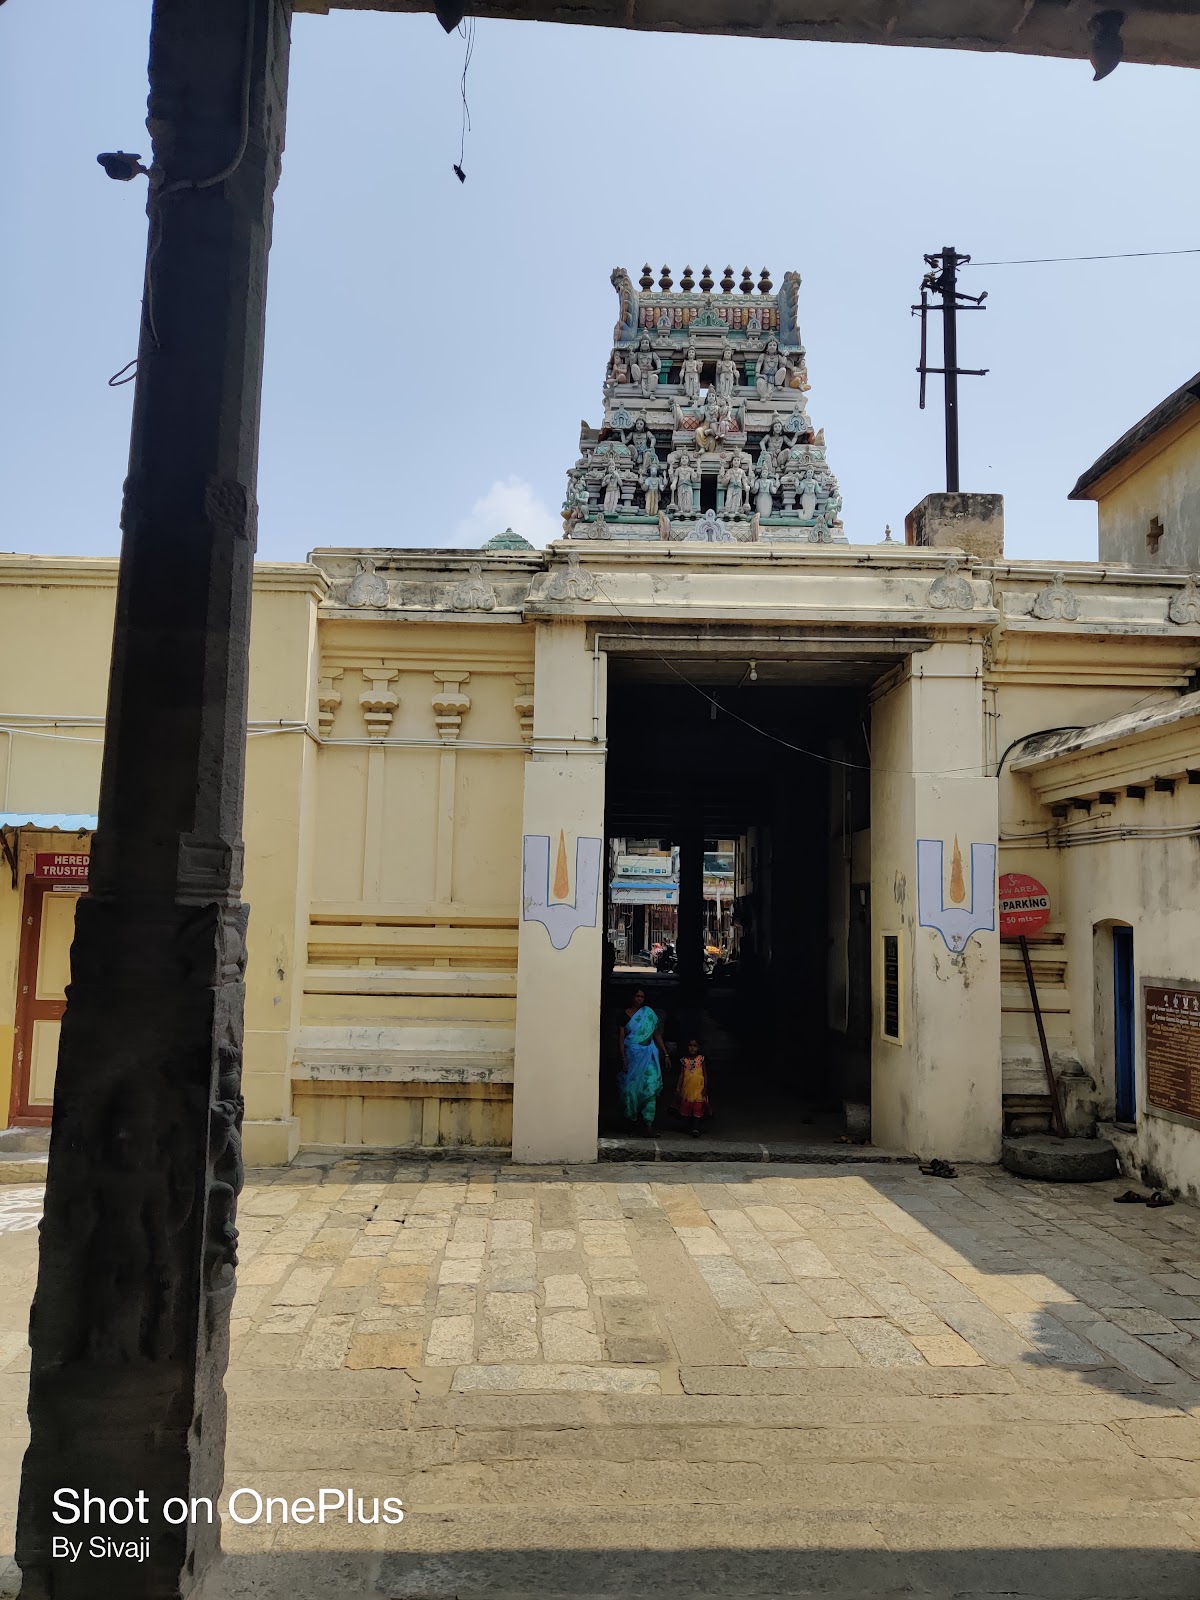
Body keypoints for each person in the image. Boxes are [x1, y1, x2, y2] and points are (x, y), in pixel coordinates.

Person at [619, 987, 667, 1134]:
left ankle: (648, 1126)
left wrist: (665, 1053)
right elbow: (621, 1040)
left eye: (642, 997)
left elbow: (656, 1034)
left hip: (648, 1056)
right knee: (630, 1090)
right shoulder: (624, 1015)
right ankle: (631, 1123)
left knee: (650, 1088)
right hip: (632, 1056)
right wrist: (624, 1059)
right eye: (637, 996)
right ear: (632, 997)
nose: (640, 999)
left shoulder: (649, 1013)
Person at [673, 1037, 710, 1136]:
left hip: (698, 1088)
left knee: (698, 1106)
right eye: (690, 1046)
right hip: (687, 1088)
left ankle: (696, 1127)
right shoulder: (684, 1061)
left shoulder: (701, 1059)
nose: (692, 1048)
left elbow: (705, 1073)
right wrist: (678, 1087)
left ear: (698, 1047)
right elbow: (682, 1074)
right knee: (688, 1107)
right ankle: (690, 1126)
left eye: (695, 1046)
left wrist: (705, 1087)